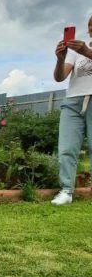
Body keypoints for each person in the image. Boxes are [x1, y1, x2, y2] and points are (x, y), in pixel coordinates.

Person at [52, 15, 92, 205]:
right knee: (67, 148)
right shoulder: (76, 52)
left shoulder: (83, 49)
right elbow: (60, 77)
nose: (91, 29)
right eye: (90, 26)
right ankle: (66, 191)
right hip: (73, 100)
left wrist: (87, 51)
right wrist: (60, 59)